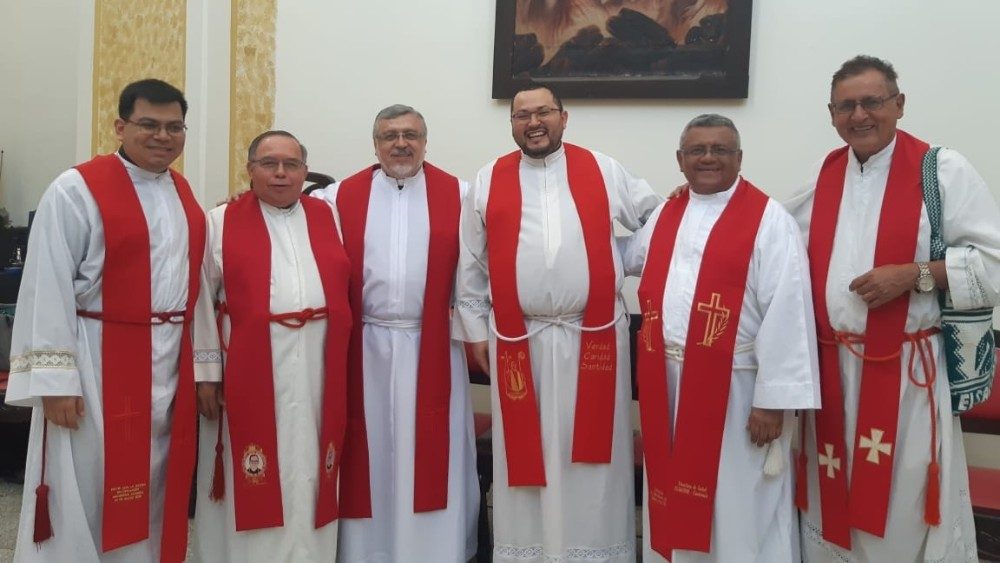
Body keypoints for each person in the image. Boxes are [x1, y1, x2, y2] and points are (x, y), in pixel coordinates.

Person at [787, 55, 1000, 561]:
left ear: (899, 104)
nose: (859, 115)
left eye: (872, 102)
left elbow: (993, 263)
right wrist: (704, 199)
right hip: (833, 376)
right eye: (846, 106)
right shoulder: (825, 175)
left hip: (907, 379)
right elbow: (772, 237)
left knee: (902, 510)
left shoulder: (940, 170)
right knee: (831, 503)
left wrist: (914, 274)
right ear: (831, 114)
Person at [455, 84, 662, 562]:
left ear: (563, 118)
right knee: (527, 455)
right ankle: (529, 551)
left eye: (543, 112)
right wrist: (475, 331)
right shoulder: (488, 179)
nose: (533, 122)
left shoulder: (602, 169)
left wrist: (620, 257)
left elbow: (659, 218)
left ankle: (594, 550)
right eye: (522, 115)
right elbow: (470, 261)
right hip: (518, 338)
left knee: (591, 458)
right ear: (511, 124)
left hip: (593, 335)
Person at [5, 78, 204, 562]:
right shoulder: (76, 189)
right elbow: (47, 283)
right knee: (87, 480)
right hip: (95, 360)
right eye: (149, 124)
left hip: (167, 363)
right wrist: (56, 381)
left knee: (155, 480)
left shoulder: (181, 190)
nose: (163, 136)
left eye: (174, 127)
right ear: (120, 126)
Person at [623, 114, 820, 562]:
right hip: (668, 383)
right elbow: (626, 257)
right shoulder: (667, 214)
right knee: (673, 490)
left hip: (737, 388)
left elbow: (788, 311)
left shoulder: (769, 220)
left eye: (720, 149)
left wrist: (772, 402)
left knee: (737, 503)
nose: (708, 158)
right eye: (697, 150)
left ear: (739, 157)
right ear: (680, 160)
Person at [311, 104, 479, 562]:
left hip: (433, 346)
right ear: (375, 145)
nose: (401, 144)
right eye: (390, 136)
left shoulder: (461, 195)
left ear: (425, 142)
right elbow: (288, 220)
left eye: (410, 135)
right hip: (364, 347)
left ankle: (433, 551)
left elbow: (485, 258)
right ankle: (367, 551)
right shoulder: (337, 198)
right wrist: (239, 203)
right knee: (371, 454)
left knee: (432, 452)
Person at [191, 130, 351, 562]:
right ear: (250, 170)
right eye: (269, 164)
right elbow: (202, 301)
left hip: (317, 364)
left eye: (291, 165)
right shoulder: (221, 221)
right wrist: (207, 374)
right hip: (250, 369)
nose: (281, 173)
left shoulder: (327, 215)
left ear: (305, 171)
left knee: (310, 463)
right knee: (256, 467)